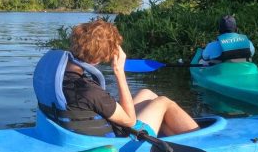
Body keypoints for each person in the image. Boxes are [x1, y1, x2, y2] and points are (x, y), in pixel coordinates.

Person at [34, 18, 199, 137]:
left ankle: (170, 130)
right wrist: (119, 71)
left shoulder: (59, 76)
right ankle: (201, 138)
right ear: (100, 58)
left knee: (147, 93)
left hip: (78, 125)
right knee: (163, 101)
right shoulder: (89, 91)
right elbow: (129, 121)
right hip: (122, 140)